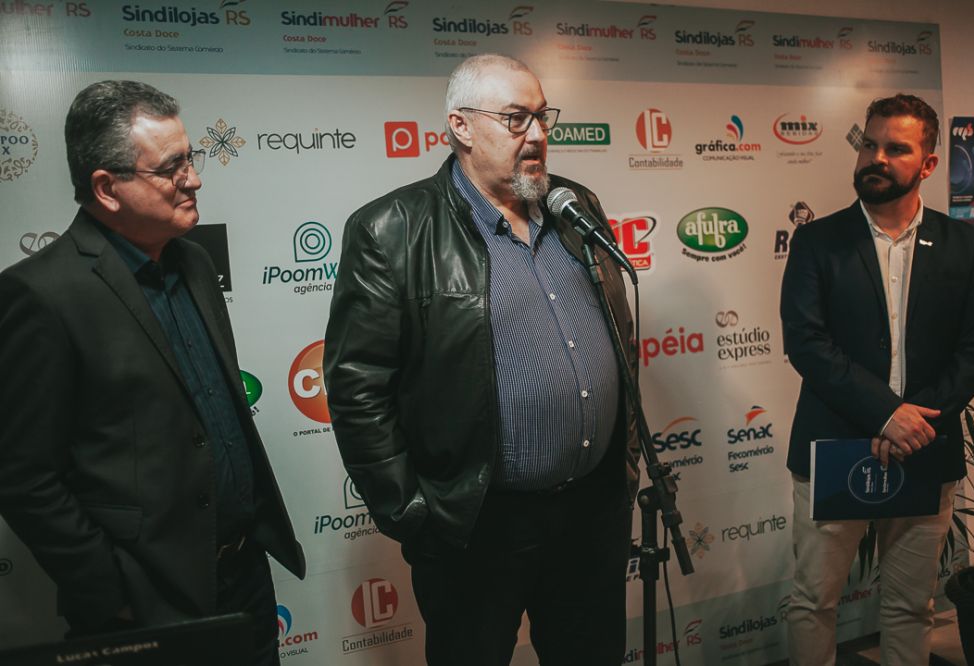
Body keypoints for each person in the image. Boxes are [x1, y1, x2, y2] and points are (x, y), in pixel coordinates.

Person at [324, 54, 639, 666]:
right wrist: (416, 517)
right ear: (461, 127)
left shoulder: (575, 205)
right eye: (516, 118)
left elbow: (618, 339)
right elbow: (358, 390)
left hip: (590, 514)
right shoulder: (392, 228)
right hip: (475, 526)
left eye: (542, 117)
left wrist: (620, 470)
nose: (538, 135)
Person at [0, 81, 305, 665]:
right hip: (147, 604)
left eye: (191, 157)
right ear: (106, 188)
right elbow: (24, 477)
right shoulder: (41, 295)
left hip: (245, 579)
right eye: (171, 168)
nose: (194, 179)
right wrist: (112, 591)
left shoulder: (194, 262)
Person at [780, 93, 974, 665]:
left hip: (926, 446)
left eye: (896, 149)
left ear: (928, 163)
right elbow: (806, 343)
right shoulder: (818, 241)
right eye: (870, 145)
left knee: (910, 607)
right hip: (835, 447)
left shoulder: (962, 243)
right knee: (814, 603)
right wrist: (885, 414)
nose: (876, 158)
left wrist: (915, 420)